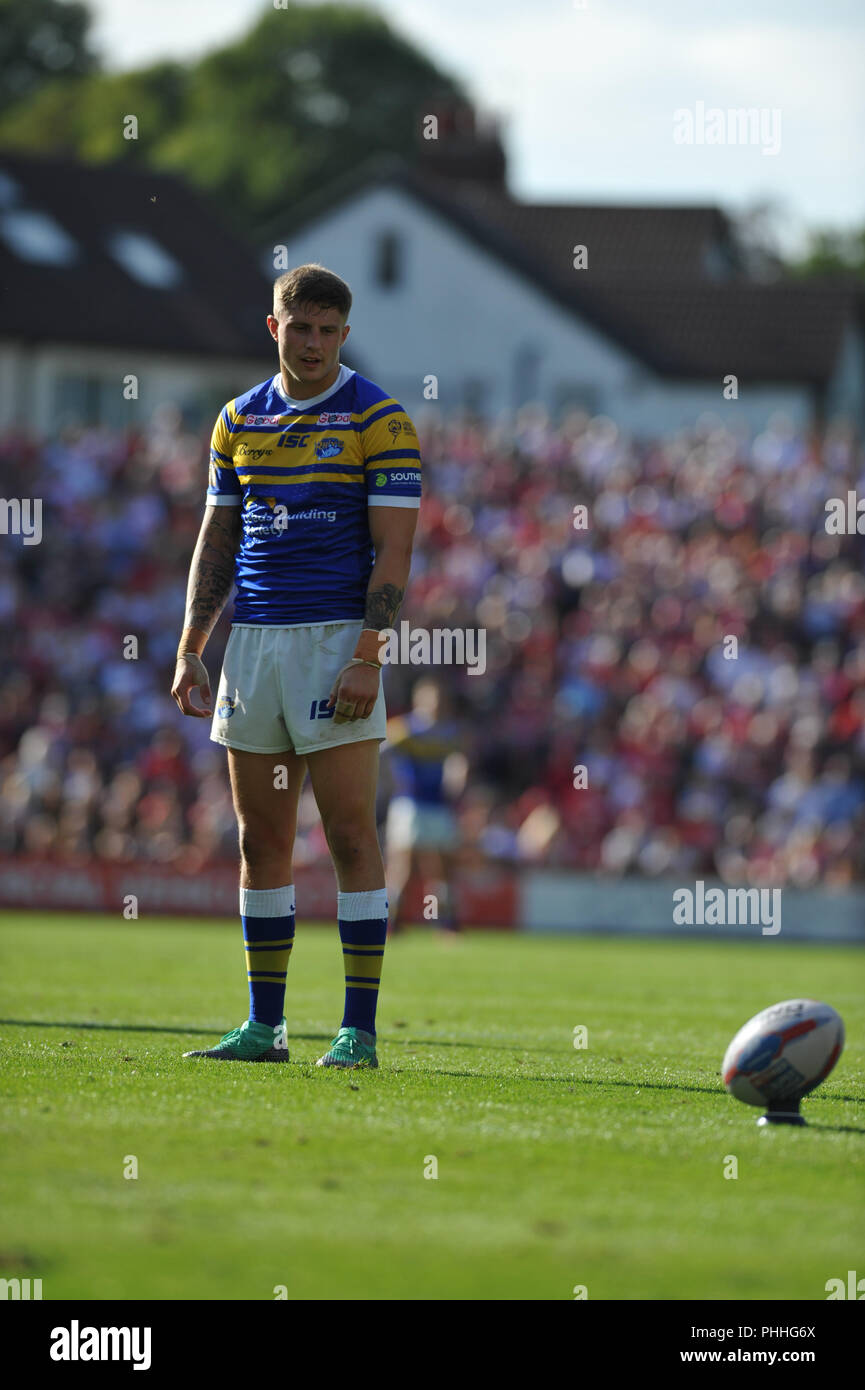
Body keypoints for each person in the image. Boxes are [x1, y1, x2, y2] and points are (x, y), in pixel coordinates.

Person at [171, 263, 420, 1069]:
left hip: (334, 640)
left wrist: (367, 657)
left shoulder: (378, 419)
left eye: (326, 329)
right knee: (260, 838)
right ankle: (264, 1027)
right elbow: (218, 540)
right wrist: (191, 645)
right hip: (255, 646)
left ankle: (358, 1030)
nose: (311, 342)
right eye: (298, 326)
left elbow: (395, 550)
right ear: (273, 327)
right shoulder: (236, 419)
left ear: (342, 335)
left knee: (349, 832)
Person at [384, 677, 468, 935]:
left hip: (439, 806)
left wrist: (459, 775)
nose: (437, 704)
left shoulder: (451, 733)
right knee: (404, 865)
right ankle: (391, 921)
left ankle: (446, 923)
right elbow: (380, 752)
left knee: (442, 866)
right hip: (409, 804)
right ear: (419, 700)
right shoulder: (403, 729)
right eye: (432, 698)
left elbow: (460, 760)